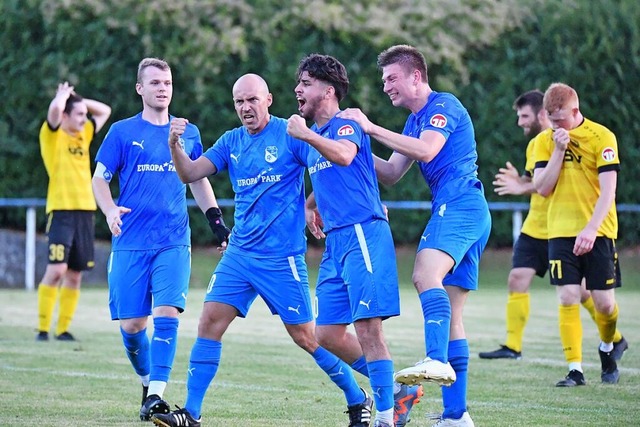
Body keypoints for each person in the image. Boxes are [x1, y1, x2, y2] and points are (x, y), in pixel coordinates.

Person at [151, 73, 373, 427]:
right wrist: (174, 145)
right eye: (239, 101)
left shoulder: (291, 133)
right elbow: (190, 173)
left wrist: (325, 206)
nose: (245, 108)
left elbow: (327, 170)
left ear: (268, 99)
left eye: (252, 100)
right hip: (239, 254)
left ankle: (359, 397)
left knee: (308, 336)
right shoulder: (231, 141)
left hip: (281, 258)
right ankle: (191, 414)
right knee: (208, 322)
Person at [339, 44, 491, 427]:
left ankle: (436, 359)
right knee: (453, 316)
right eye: (384, 80)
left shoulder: (443, 106)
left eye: (391, 78)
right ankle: (456, 416)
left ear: (415, 77)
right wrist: (349, 147)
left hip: (459, 203)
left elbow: (426, 150)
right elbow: (391, 173)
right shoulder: (411, 122)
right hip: (466, 209)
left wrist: (370, 127)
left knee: (425, 274)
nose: (386, 86)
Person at [286, 53, 422, 427]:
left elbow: (345, 157)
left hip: (364, 232)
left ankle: (384, 417)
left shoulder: (347, 124)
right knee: (326, 333)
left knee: (368, 328)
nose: (297, 90)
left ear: (328, 91)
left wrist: (307, 135)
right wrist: (312, 204)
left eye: (306, 83)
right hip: (335, 243)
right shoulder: (318, 138)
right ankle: (396, 391)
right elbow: (333, 173)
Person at [91, 58, 230, 421]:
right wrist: (108, 211)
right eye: (154, 82)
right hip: (131, 243)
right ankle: (145, 379)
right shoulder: (122, 132)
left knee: (167, 312)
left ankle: (156, 395)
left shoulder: (188, 132)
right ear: (140, 89)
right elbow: (99, 179)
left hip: (172, 239)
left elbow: (198, 178)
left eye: (167, 82)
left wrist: (216, 221)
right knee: (133, 326)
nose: (162, 88)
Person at [479, 90, 628, 361]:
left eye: (524, 116)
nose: (520, 122)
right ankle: (514, 346)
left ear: (542, 114)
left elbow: (548, 186)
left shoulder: (588, 138)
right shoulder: (538, 144)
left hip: (565, 228)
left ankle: (613, 338)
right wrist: (521, 185)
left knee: (583, 293)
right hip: (537, 225)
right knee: (518, 278)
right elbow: (538, 182)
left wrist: (523, 187)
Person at [532, 82, 624, 387]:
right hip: (559, 231)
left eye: (560, 119)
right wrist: (559, 149)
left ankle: (609, 347)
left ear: (575, 110)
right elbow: (542, 187)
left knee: (605, 305)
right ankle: (575, 369)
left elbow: (609, 190)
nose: (555, 125)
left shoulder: (602, 137)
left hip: (598, 231)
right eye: (550, 119)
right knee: (568, 296)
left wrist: (591, 228)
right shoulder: (545, 142)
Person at [36, 82, 111, 342]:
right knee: (56, 270)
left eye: (83, 115)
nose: (83, 119)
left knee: (75, 274)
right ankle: (43, 328)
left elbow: (104, 111)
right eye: (77, 114)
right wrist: (62, 97)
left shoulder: (84, 134)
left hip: (85, 211)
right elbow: (55, 112)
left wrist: (78, 100)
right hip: (61, 210)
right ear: (65, 116)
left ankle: (63, 329)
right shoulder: (52, 134)